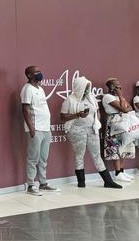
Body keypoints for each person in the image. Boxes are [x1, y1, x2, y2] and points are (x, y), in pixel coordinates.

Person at [60, 76, 121, 189]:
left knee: (96, 155)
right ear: (79, 87)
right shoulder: (69, 100)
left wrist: (96, 122)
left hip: (92, 129)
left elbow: (97, 111)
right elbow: (62, 117)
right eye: (86, 87)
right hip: (76, 130)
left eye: (89, 87)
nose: (88, 89)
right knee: (79, 155)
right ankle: (81, 182)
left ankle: (108, 181)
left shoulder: (91, 98)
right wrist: (78, 115)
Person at [21, 66, 59, 196]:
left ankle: (43, 183)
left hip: (46, 128)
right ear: (29, 75)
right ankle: (31, 185)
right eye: (36, 72)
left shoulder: (40, 88)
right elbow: (25, 109)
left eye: (40, 71)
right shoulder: (27, 89)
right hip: (35, 128)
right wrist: (31, 128)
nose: (39, 74)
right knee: (33, 158)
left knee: (43, 158)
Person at [101, 78, 136, 182]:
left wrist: (122, 102)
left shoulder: (119, 97)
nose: (119, 87)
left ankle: (121, 171)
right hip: (114, 124)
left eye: (119, 85)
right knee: (115, 146)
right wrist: (121, 97)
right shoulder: (107, 97)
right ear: (111, 87)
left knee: (123, 146)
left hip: (123, 123)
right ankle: (117, 173)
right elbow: (124, 109)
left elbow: (130, 108)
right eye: (116, 85)